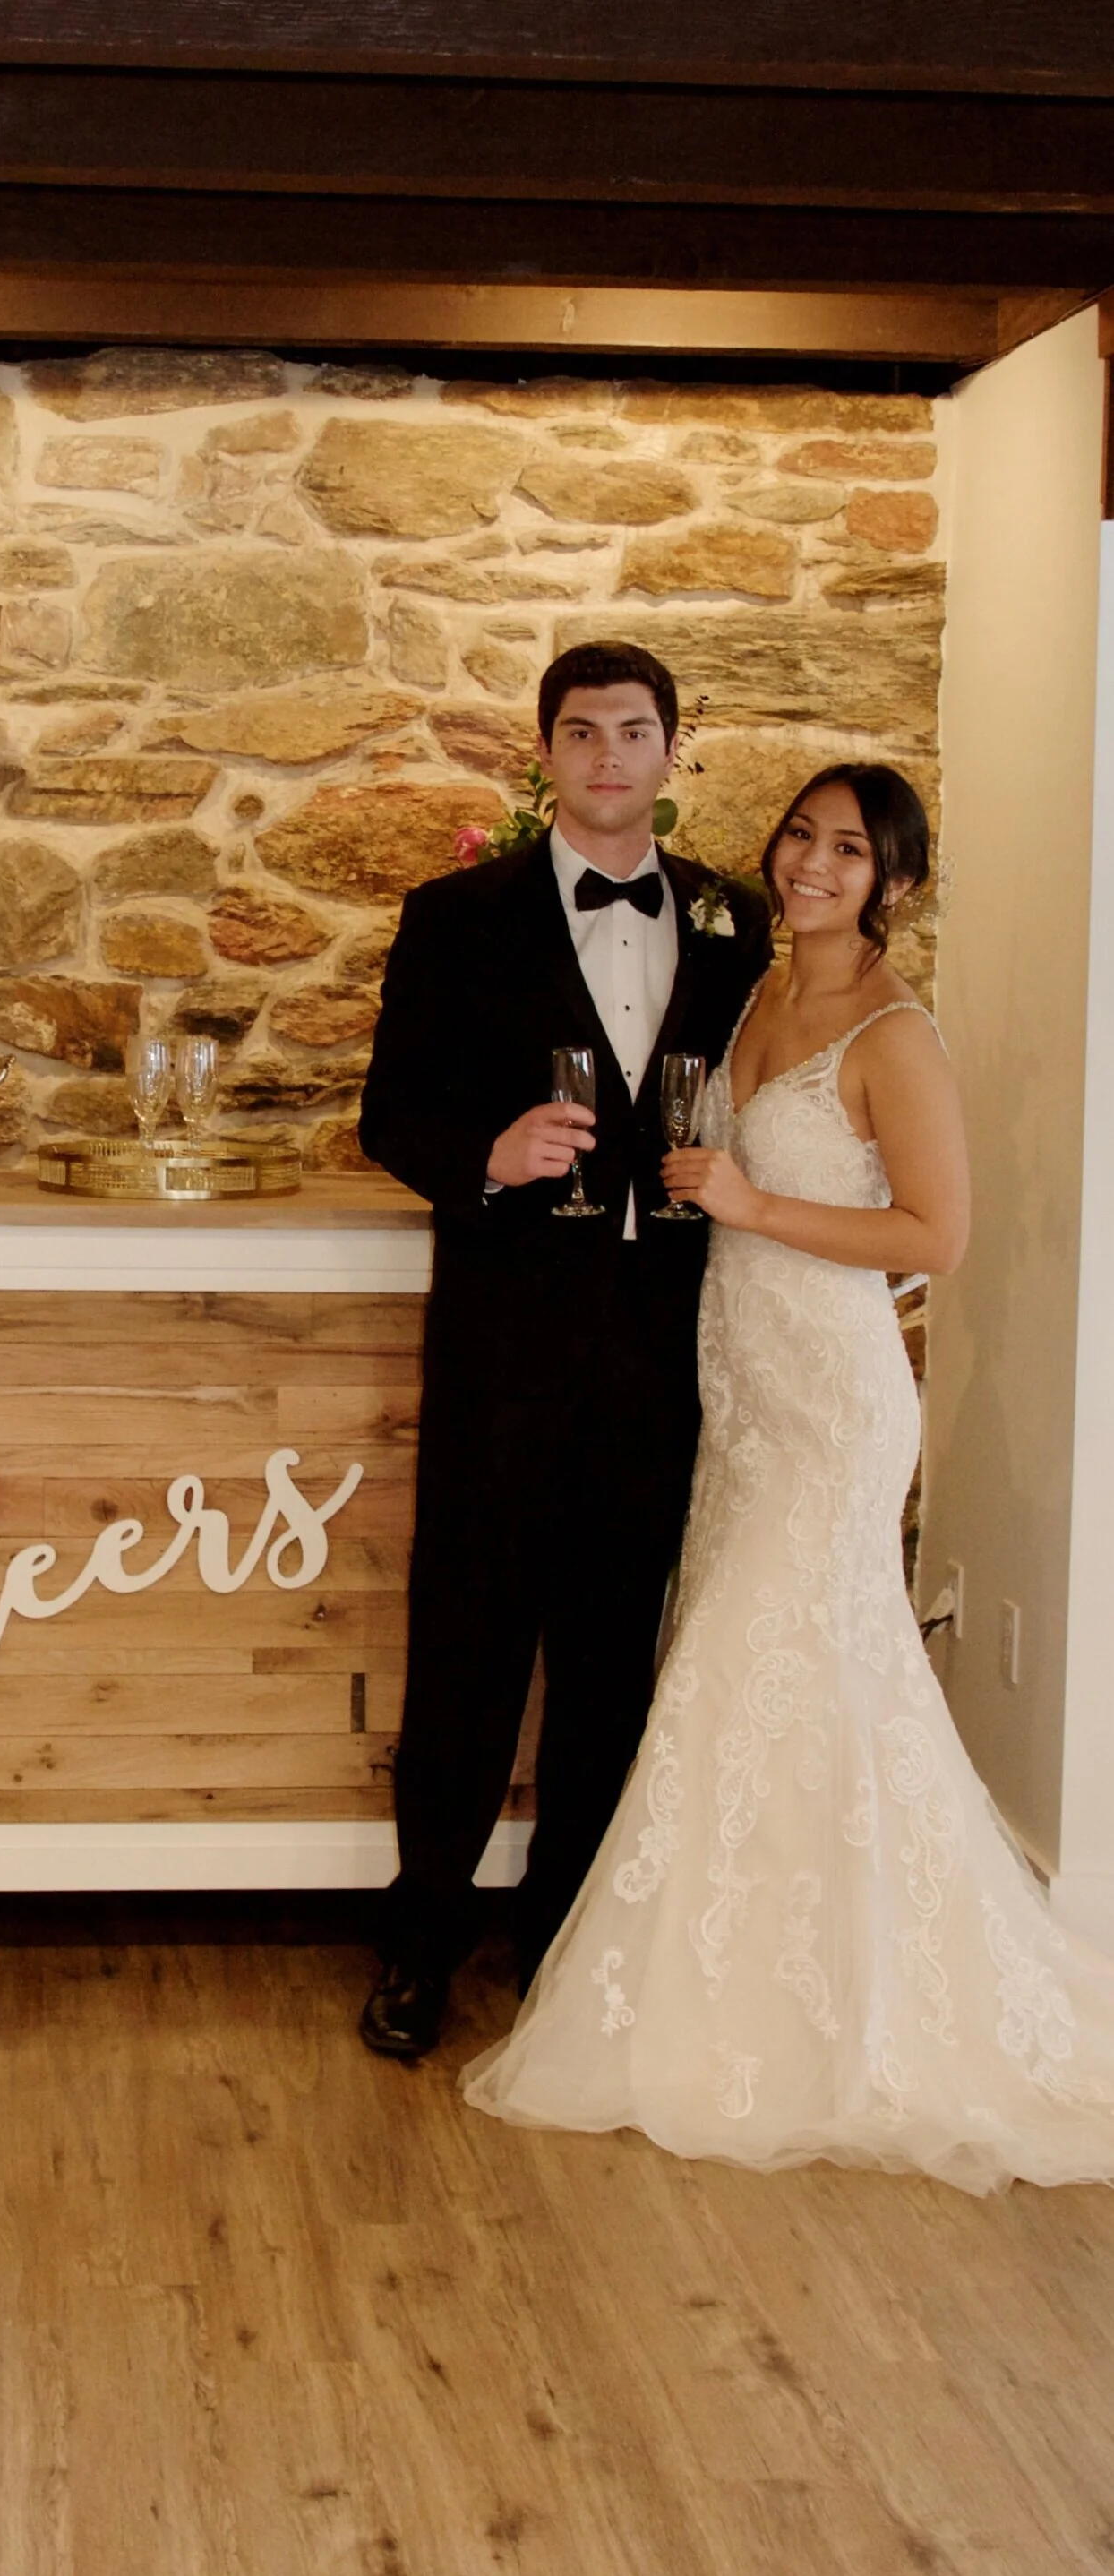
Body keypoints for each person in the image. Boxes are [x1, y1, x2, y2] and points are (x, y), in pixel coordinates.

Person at [463, 762, 1114, 2194]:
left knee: (753, 1668)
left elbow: (935, 1239)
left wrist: (752, 1202)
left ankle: (804, 2016)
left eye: (850, 851)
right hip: (735, 1390)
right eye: (801, 836)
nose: (814, 864)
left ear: (896, 886)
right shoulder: (746, 990)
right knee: (752, 1668)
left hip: (827, 1400)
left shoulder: (893, 1035)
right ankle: (761, 1978)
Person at [356, 640, 771, 2058]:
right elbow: (387, 1117)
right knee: (463, 1655)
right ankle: (418, 1944)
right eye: (581, 733)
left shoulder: (737, 923)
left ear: (670, 750)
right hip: (501, 1355)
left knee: (610, 1668)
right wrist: (486, 1153)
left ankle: (566, 1945)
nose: (608, 756)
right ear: (546, 755)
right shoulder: (455, 915)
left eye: (634, 731)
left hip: (662, 1357)